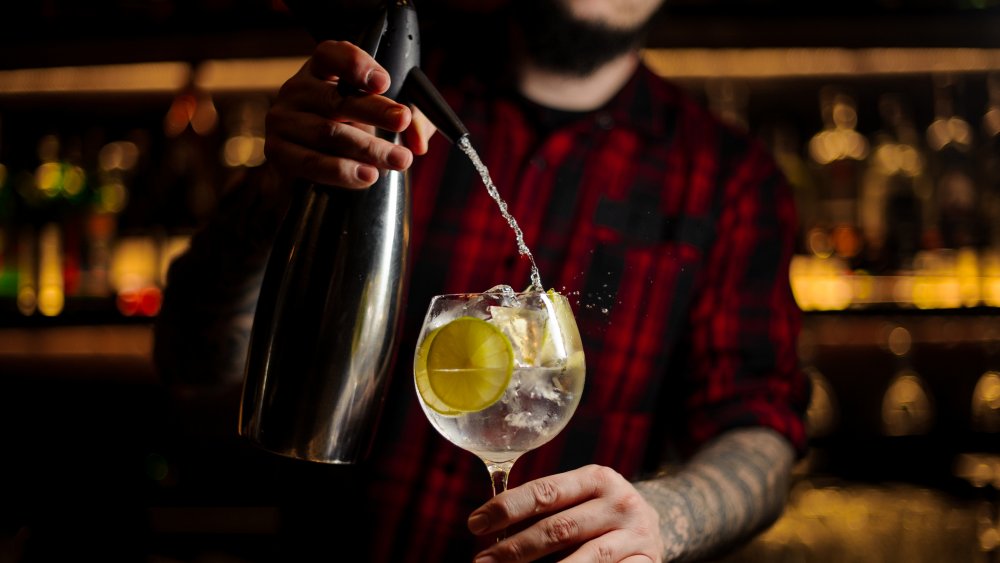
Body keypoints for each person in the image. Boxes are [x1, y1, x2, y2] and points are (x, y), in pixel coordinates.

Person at [154, 0, 810, 560]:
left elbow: (758, 428)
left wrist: (663, 518)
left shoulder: (728, 179)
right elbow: (193, 360)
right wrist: (279, 190)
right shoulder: (384, 101)